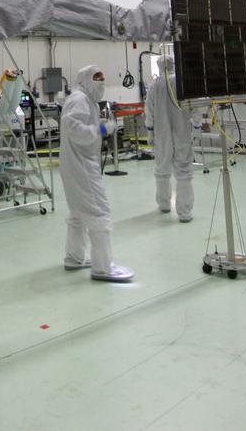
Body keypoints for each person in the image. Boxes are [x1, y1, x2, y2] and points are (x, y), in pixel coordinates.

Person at [59, 65, 134, 282]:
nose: (101, 82)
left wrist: (96, 125)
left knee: (78, 213)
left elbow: (78, 123)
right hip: (82, 165)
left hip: (75, 164)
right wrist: (99, 130)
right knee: (98, 212)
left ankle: (74, 257)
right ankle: (103, 268)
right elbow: (73, 127)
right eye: (97, 78)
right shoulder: (80, 99)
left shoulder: (85, 99)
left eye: (102, 78)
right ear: (85, 80)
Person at [145, 55, 197, 222]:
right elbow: (193, 105)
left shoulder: (154, 85)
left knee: (162, 168)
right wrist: (196, 125)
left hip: (161, 133)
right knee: (184, 169)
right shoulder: (182, 82)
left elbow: (149, 110)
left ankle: (164, 204)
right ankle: (184, 213)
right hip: (182, 130)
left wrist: (150, 131)